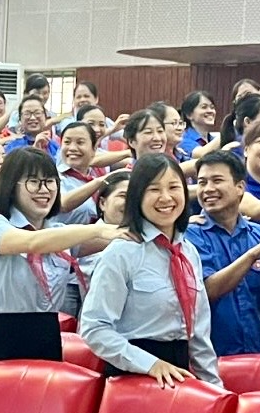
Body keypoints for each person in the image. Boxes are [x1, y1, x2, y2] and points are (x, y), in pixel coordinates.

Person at [81, 153, 222, 386]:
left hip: (179, 372)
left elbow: (199, 332)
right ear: (137, 196)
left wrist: (214, 386)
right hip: (132, 375)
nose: (166, 197)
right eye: (154, 189)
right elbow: (94, 328)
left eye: (173, 187)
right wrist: (150, 364)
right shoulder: (121, 252)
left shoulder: (188, 252)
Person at [0, 149, 124, 359]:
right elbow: (33, 242)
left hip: (50, 335)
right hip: (7, 337)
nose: (44, 190)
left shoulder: (60, 233)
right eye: (33, 182)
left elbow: (113, 239)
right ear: (11, 186)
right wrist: (97, 229)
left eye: (49, 182)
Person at [188, 151, 260, 357]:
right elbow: (207, 290)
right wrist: (251, 256)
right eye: (202, 183)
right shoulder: (189, 235)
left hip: (255, 349)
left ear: (240, 187)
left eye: (217, 180)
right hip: (209, 357)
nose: (208, 189)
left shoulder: (259, 234)